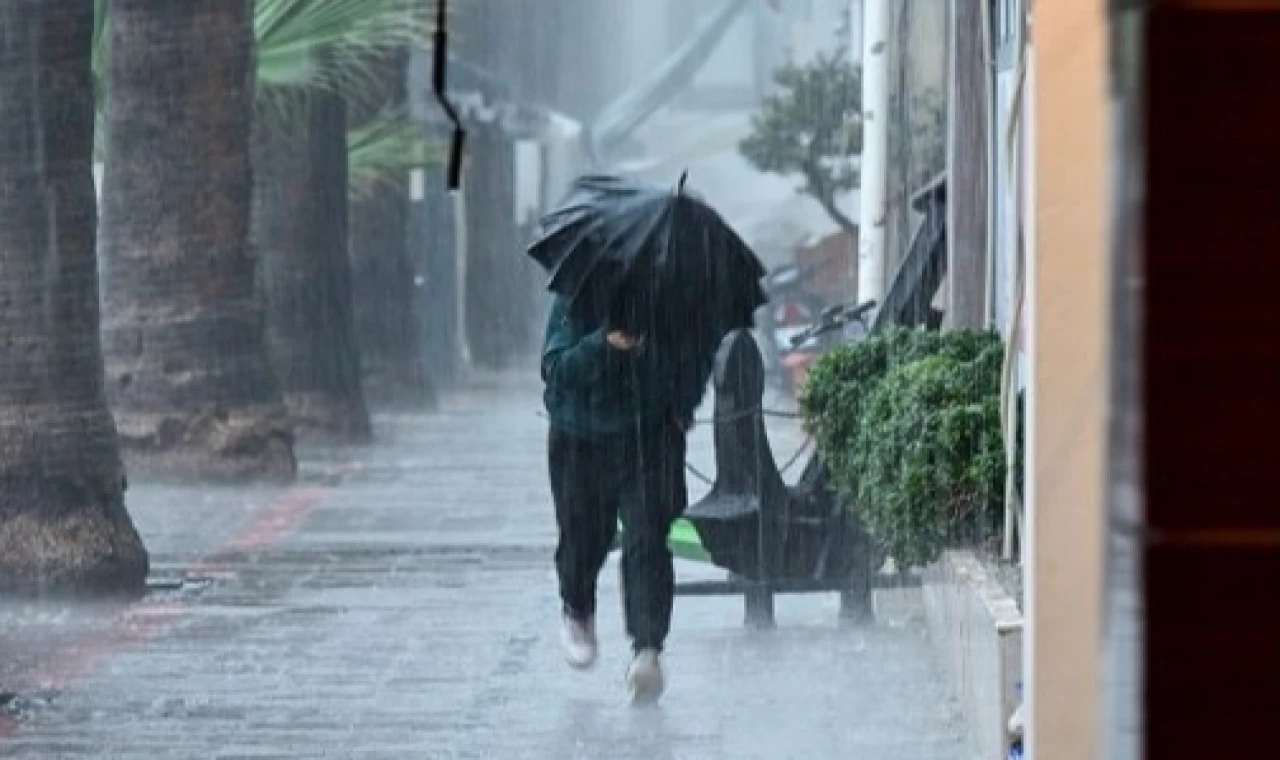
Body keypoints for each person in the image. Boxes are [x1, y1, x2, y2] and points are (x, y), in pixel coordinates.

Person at [541, 293, 714, 704]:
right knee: (585, 533)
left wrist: (679, 406)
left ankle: (648, 647)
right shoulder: (574, 295)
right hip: (581, 440)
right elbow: (555, 368)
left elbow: (693, 360)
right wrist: (604, 346)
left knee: (647, 538)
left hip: (649, 441)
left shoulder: (670, 298)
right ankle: (577, 605)